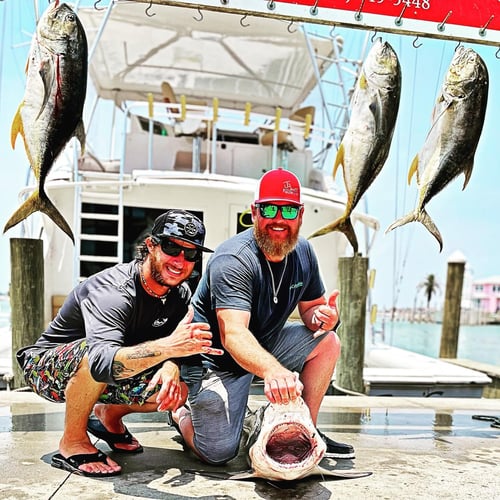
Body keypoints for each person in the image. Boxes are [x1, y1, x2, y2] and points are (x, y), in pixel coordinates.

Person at [16, 209, 222, 477]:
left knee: (177, 389)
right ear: (150, 245)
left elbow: (175, 344)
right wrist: (170, 348)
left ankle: (108, 416)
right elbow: (101, 363)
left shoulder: (179, 294)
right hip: (47, 368)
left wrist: (172, 364)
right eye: (171, 247)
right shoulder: (113, 290)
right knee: (93, 354)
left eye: (191, 253)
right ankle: (73, 440)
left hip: (108, 367)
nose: (180, 260)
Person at [172, 168, 355, 465]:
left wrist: (323, 317)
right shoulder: (233, 259)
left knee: (328, 341)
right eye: (270, 209)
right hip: (215, 360)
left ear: (300, 215)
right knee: (218, 453)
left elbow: (311, 310)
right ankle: (179, 414)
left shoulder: (304, 252)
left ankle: (305, 430)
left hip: (264, 345)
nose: (279, 219)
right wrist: (274, 372)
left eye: (288, 210)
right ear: (255, 213)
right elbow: (234, 335)